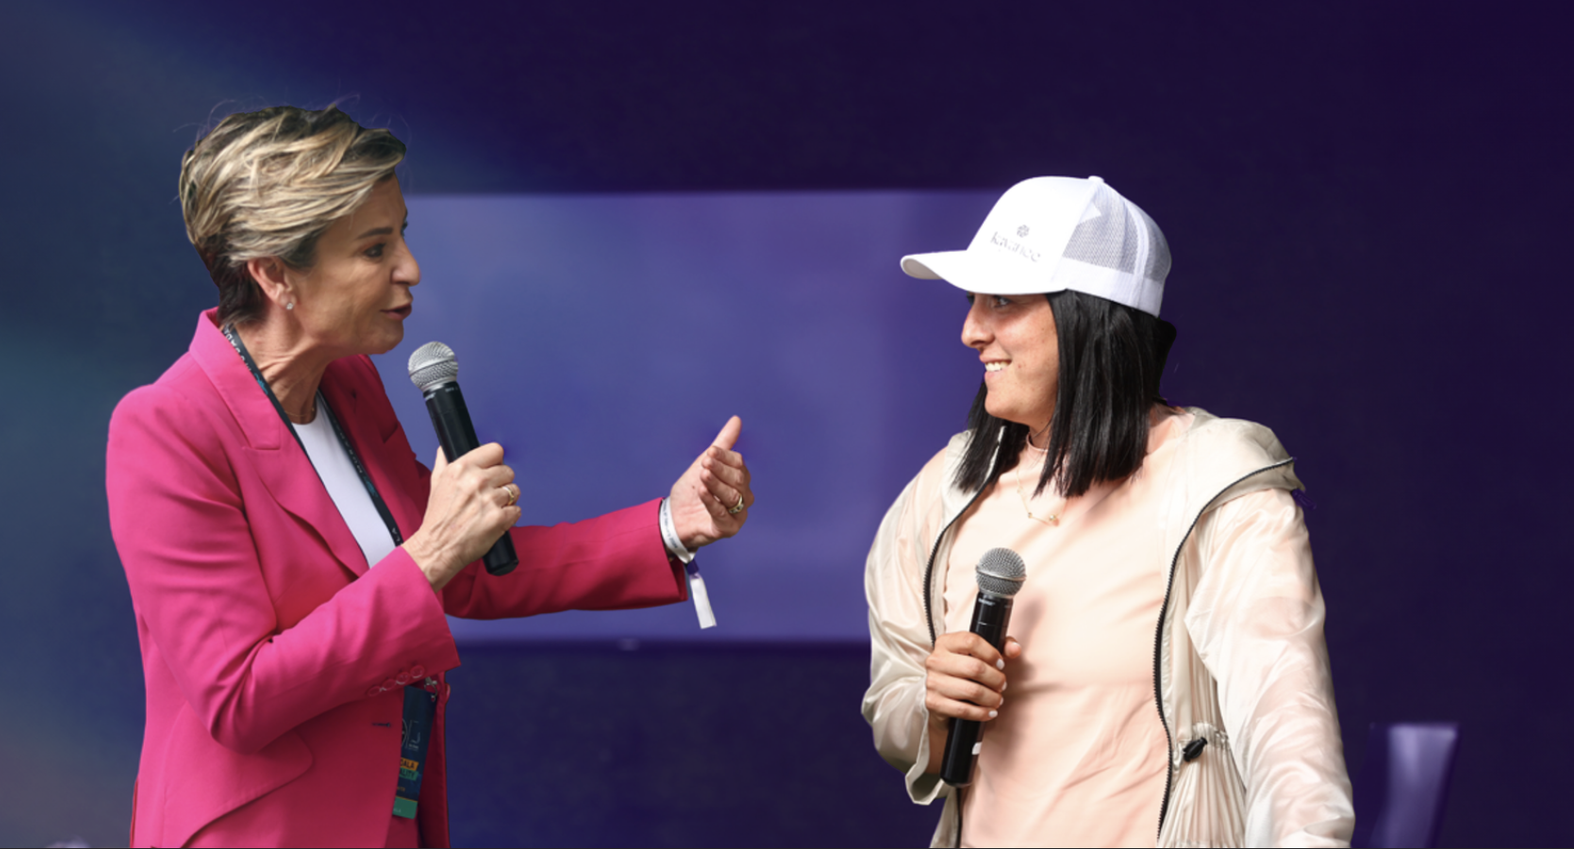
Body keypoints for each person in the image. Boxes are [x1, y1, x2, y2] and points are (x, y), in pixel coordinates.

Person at [105, 105, 756, 848]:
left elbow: (467, 569)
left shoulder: (350, 384)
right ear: (276, 274)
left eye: (402, 235)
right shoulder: (168, 428)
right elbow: (240, 698)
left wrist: (670, 523)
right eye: (374, 249)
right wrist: (432, 552)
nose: (410, 268)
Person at [861, 176, 1352, 847]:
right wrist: (935, 706)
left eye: (1003, 299)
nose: (971, 330)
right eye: (973, 300)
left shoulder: (1214, 488)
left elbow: (1288, 736)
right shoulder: (944, 490)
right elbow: (892, 704)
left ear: (1090, 318)